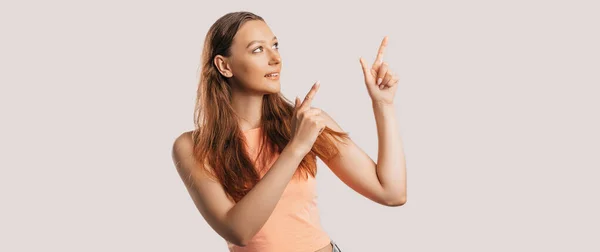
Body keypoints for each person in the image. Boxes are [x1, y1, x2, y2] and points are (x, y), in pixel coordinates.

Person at [171, 11, 406, 252]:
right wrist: (295, 148)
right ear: (224, 65)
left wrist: (383, 104)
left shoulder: (307, 122)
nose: (275, 58)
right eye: (257, 50)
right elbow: (239, 231)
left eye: (275, 45)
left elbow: (392, 193)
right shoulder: (193, 147)